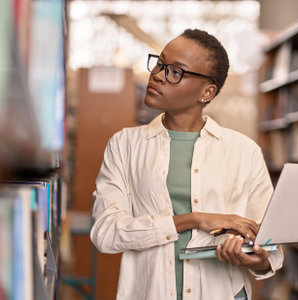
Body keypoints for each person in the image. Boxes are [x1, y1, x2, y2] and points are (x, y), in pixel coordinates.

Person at [90, 28, 283, 300]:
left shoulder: (244, 151)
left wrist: (258, 259)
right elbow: (106, 233)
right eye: (159, 63)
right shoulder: (125, 145)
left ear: (207, 91)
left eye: (175, 71)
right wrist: (195, 219)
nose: (157, 74)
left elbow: (270, 247)